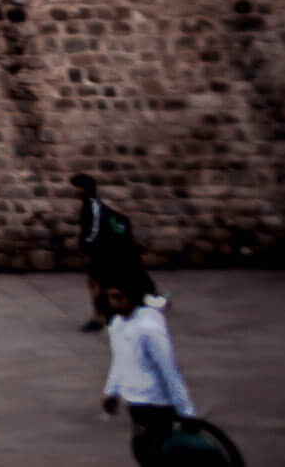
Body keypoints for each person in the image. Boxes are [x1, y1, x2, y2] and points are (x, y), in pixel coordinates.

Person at [101, 283, 195, 463]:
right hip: (135, 402)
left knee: (155, 455)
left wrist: (186, 411)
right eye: (111, 297)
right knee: (142, 452)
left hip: (156, 404)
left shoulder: (149, 328)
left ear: (132, 297)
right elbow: (119, 359)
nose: (114, 302)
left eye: (118, 297)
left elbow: (169, 371)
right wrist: (111, 391)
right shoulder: (117, 323)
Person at [75, 175, 155, 331]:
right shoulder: (89, 206)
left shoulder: (93, 206)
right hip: (100, 252)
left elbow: (94, 231)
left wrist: (87, 246)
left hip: (103, 252)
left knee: (102, 284)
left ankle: (102, 317)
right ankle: (102, 316)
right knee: (96, 284)